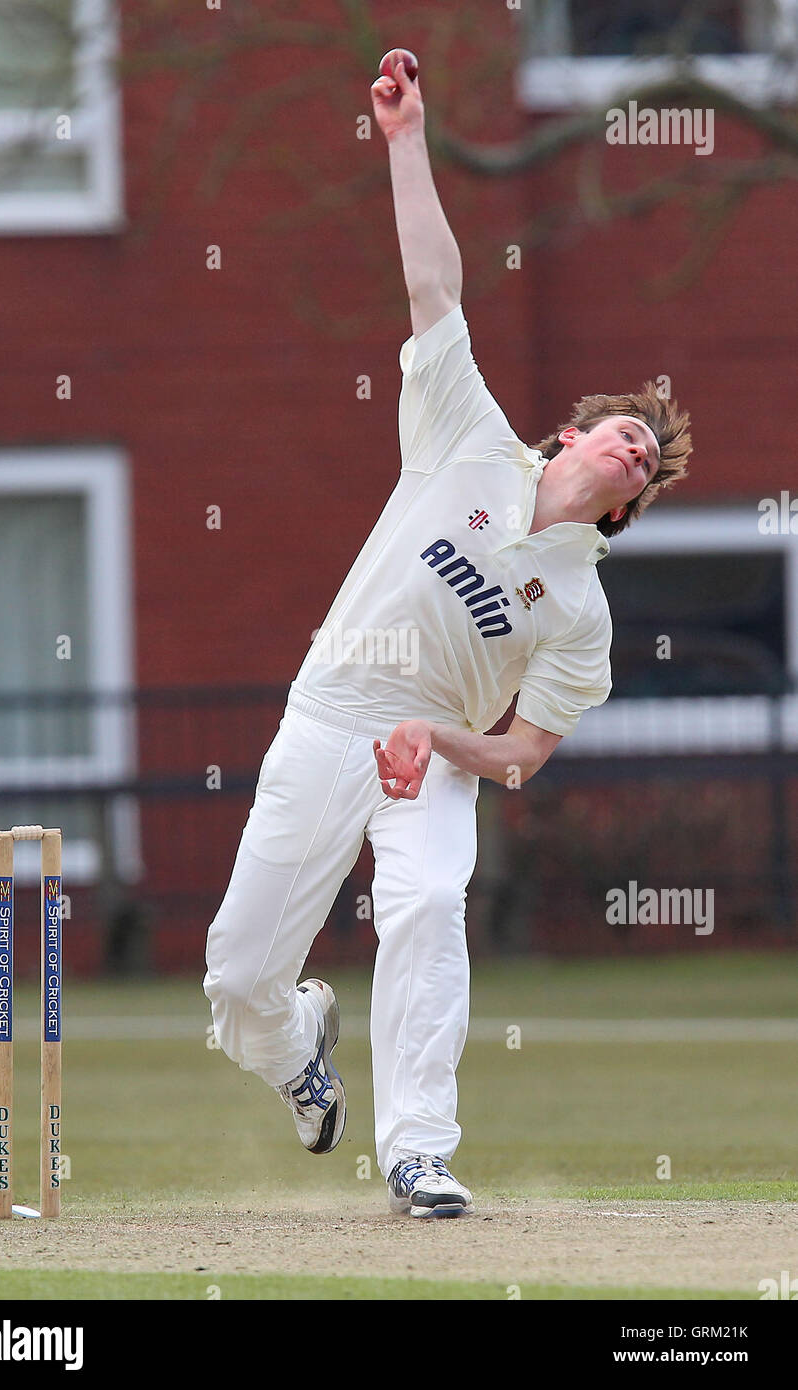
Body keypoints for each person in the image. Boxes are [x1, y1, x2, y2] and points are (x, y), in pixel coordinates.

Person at [203, 51, 692, 1219]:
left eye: (643, 460)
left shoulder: (579, 611)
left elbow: (522, 754)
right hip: (330, 711)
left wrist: (441, 739)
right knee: (237, 978)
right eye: (621, 428)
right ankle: (294, 1055)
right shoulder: (466, 433)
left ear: (622, 507)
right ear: (570, 432)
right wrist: (406, 137)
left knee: (425, 910)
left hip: (429, 758)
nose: (629, 445)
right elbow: (432, 285)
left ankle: (417, 1150)